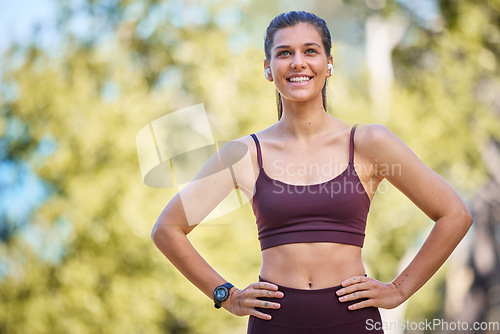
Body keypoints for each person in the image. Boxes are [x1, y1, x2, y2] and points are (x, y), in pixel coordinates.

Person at [151, 10, 473, 334]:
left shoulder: (369, 143)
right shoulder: (243, 154)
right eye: (284, 53)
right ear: (267, 68)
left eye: (310, 51)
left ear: (328, 63)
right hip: (274, 323)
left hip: (352, 320)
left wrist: (399, 290)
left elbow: (454, 214)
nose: (297, 62)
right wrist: (227, 295)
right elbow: (168, 229)